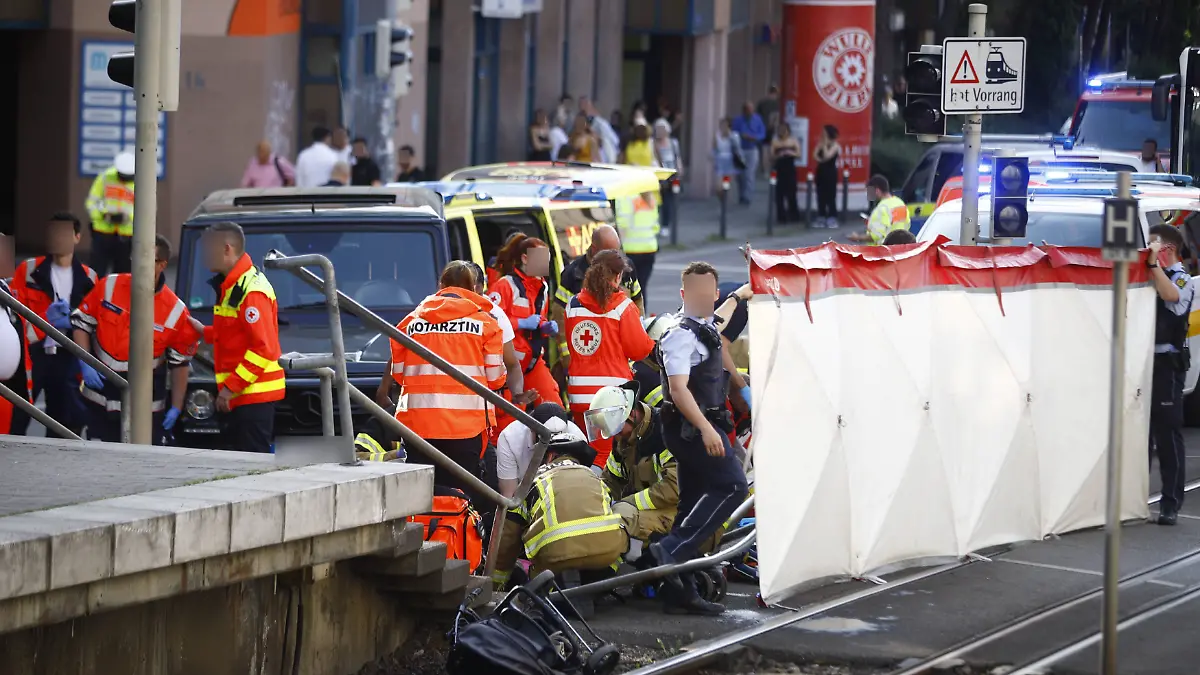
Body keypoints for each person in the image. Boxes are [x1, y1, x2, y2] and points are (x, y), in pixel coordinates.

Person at [648, 261, 748, 615]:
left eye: (711, 293)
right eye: (697, 292)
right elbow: (677, 390)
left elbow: (718, 320)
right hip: (691, 427)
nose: (705, 298)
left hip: (700, 424)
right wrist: (707, 430)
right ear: (683, 295)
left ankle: (680, 590)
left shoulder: (703, 323)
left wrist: (740, 294)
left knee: (690, 502)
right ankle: (672, 549)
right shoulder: (679, 334)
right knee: (733, 485)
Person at [392, 261, 506, 497]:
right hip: (466, 429)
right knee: (463, 499)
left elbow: (399, 373)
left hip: (418, 427)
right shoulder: (486, 324)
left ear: (441, 285)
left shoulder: (410, 323)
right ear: (474, 288)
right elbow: (495, 379)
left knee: (421, 497)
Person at [71, 235, 200, 443]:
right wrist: (86, 361)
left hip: (144, 406)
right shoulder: (109, 286)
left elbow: (180, 364)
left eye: (147, 258)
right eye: (136, 257)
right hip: (100, 397)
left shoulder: (176, 311)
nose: (139, 263)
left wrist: (176, 406)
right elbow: (81, 323)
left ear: (162, 265)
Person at [491, 430, 629, 610]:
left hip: (556, 560)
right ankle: (592, 587)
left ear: (549, 456)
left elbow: (507, 539)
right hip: (606, 556)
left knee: (528, 564)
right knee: (620, 519)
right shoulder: (593, 477)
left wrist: (496, 586)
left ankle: (563, 591)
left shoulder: (531, 481)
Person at [190, 222, 285, 453]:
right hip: (245, 395)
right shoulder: (234, 285)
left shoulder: (251, 290)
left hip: (253, 396)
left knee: (252, 468)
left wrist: (229, 388)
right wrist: (205, 332)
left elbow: (263, 349)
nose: (204, 257)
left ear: (226, 249)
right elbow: (235, 332)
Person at [564, 250, 655, 469]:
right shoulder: (623, 306)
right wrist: (651, 341)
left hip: (578, 395)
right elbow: (639, 350)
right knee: (604, 457)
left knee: (585, 450)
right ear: (618, 276)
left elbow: (572, 345)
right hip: (609, 397)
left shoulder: (573, 305)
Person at [12, 213, 97, 438]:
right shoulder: (28, 270)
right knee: (17, 413)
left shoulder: (89, 277)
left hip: (66, 355)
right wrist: (45, 320)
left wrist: (87, 359)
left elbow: (92, 322)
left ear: (77, 237)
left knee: (64, 420)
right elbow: (15, 315)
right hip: (33, 354)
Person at [590, 383, 679, 557]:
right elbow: (611, 480)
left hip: (683, 511)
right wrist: (595, 503)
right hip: (654, 509)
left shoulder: (666, 433)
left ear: (631, 414)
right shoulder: (624, 438)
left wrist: (629, 503)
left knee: (623, 524)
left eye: (616, 428)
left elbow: (674, 489)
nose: (615, 436)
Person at [1147, 224, 1195, 526]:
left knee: (1167, 436)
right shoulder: (1148, 274)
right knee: (1140, 437)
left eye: (1153, 245)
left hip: (1167, 365)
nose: (1148, 250)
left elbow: (1171, 296)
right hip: (1142, 363)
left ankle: (1170, 502)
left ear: (1168, 250)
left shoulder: (1182, 279)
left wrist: (1153, 266)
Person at [488, 235, 561, 409]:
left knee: (554, 407)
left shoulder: (542, 287)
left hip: (532, 363)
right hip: (509, 366)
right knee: (512, 416)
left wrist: (545, 327)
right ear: (525, 258)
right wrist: (520, 323)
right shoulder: (504, 286)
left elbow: (538, 318)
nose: (545, 266)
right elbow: (490, 322)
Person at [495, 402, 583, 497]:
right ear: (531, 429)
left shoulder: (577, 438)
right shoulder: (510, 438)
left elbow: (580, 485)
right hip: (524, 494)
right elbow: (509, 494)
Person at [85, 151, 135, 276]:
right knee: (97, 273)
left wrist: (128, 217)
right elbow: (92, 202)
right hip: (103, 233)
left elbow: (146, 209)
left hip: (127, 236)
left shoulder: (142, 182)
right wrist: (103, 215)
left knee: (123, 276)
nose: (125, 179)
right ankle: (95, 295)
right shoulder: (105, 178)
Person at [849, 175, 910, 244]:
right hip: (899, 248)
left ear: (877, 190)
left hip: (883, 251)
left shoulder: (881, 209)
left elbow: (875, 236)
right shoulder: (900, 204)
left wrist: (858, 237)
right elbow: (905, 224)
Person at [731, 102, 766, 205]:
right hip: (740, 149)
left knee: (749, 174)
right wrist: (740, 136)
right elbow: (733, 133)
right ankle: (741, 195)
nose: (749, 112)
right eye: (747, 110)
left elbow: (762, 133)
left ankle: (748, 196)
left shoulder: (757, 119)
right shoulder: (737, 120)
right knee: (740, 175)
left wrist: (754, 137)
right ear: (743, 110)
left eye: (751, 109)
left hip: (752, 149)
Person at [770, 123, 802, 223]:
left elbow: (798, 154)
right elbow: (772, 156)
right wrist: (779, 154)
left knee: (791, 193)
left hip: (790, 168)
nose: (782, 132)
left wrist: (790, 153)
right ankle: (781, 216)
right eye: (780, 130)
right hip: (779, 168)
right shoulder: (775, 142)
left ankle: (794, 214)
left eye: (784, 130)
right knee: (779, 194)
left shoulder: (793, 141)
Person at [813, 125, 841, 228]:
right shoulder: (820, 143)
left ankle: (832, 217)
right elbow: (815, 155)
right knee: (820, 195)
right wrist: (821, 158)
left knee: (830, 195)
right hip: (821, 171)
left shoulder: (835, 145)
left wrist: (824, 145)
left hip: (830, 172)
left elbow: (827, 156)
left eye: (824, 132)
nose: (822, 134)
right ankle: (821, 216)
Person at [713, 118, 744, 188]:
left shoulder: (734, 135)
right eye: (721, 125)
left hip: (730, 162)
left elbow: (737, 148)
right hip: (720, 161)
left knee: (726, 185)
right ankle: (721, 193)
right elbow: (714, 148)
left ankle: (725, 193)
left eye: (725, 125)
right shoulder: (717, 136)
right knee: (718, 186)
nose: (723, 127)